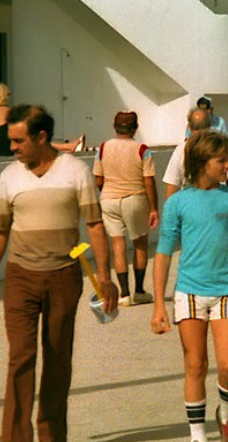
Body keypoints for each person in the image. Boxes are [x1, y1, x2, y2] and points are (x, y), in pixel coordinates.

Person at [0, 105, 118, 442]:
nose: (12, 147)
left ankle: (54, 431)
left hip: (64, 275)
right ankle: (16, 441)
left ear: (42, 137)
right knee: (20, 357)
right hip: (20, 276)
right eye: (11, 140)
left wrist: (105, 277)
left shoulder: (76, 172)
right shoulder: (9, 176)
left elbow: (95, 226)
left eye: (18, 140)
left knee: (57, 355)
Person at [151, 131, 228, 442]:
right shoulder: (177, 203)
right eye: (222, 160)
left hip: (227, 292)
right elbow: (163, 253)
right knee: (195, 365)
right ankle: (198, 440)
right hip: (188, 293)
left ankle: (227, 415)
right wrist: (159, 302)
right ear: (203, 162)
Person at [94, 111, 158, 306]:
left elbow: (98, 179)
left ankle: (124, 294)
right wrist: (153, 208)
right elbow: (149, 182)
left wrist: (106, 192)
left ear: (115, 127)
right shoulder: (142, 150)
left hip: (109, 199)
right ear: (135, 127)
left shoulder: (103, 148)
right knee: (140, 243)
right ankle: (139, 290)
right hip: (135, 198)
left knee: (118, 245)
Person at [0, 82, 83, 157]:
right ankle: (68, 147)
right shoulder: (9, 111)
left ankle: (68, 147)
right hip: (6, 149)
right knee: (36, 139)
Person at [163, 108, 228, 197]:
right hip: (218, 201)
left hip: (189, 204)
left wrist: (171, 207)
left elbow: (172, 184)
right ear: (209, 125)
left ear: (189, 126)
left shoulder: (181, 149)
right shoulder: (220, 147)